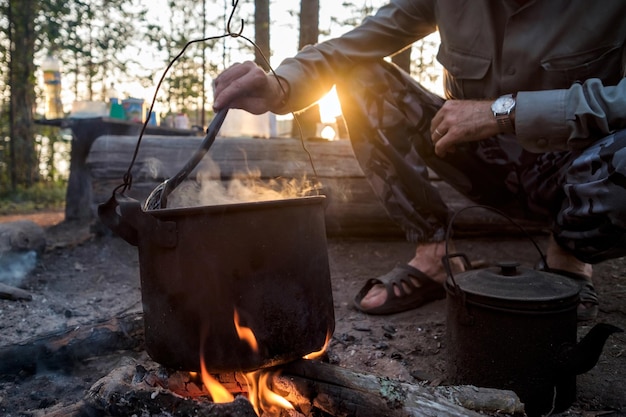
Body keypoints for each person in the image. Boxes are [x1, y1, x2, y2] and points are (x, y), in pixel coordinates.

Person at [213, 0, 626, 321]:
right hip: (486, 164)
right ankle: (434, 255)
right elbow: (354, 44)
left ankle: (570, 256)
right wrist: (282, 85)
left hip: (584, 173)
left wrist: (505, 110)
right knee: (359, 75)